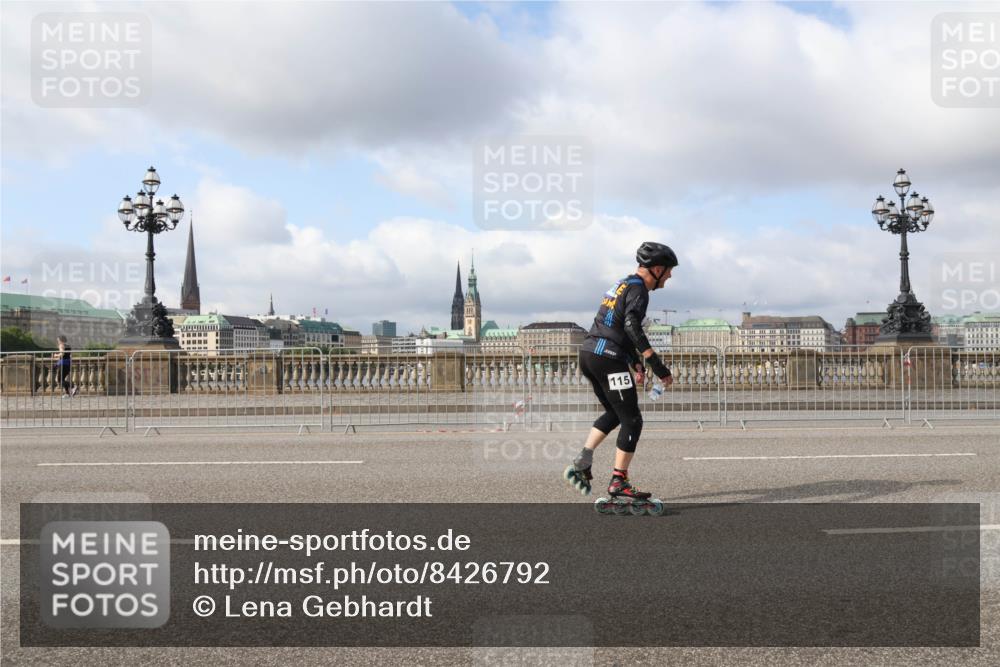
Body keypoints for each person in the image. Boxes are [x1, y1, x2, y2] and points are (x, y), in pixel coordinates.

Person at [564, 241, 678, 500]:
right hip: (608, 358)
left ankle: (583, 462)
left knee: (615, 413)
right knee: (633, 420)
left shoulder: (623, 284)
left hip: (590, 354)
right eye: (669, 270)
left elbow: (613, 325)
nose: (670, 276)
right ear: (657, 269)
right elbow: (630, 326)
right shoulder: (640, 290)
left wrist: (634, 361)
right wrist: (655, 364)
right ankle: (619, 481)